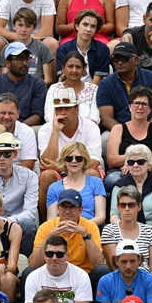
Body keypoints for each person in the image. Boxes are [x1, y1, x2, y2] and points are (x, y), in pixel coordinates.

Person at [38, 90, 103, 220]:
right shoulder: (46, 129)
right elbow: (46, 163)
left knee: (92, 173)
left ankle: (91, 221)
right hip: (59, 173)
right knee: (46, 176)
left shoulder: (91, 126)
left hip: (82, 171)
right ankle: (46, 223)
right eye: (59, 109)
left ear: (77, 109)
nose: (62, 113)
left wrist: (60, 167)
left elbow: (94, 162)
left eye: (67, 108)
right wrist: (55, 131)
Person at [29, 189, 107, 292]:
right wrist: (49, 237)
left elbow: (98, 263)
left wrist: (85, 235)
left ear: (80, 210)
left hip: (82, 275)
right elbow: (33, 264)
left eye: (72, 207)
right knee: (28, 272)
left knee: (102, 270)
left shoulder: (90, 227)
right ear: (57, 209)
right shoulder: (46, 227)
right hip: (52, 274)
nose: (67, 211)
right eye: (63, 206)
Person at [109, 145, 152, 264]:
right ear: (127, 165)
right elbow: (114, 216)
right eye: (131, 162)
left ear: (149, 164)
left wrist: (145, 231)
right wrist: (126, 230)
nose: (136, 165)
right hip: (126, 228)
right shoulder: (119, 186)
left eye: (140, 162)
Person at [97, 42, 152, 131]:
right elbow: (107, 119)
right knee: (105, 140)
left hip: (150, 128)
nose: (119, 62)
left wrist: (146, 131)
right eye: (115, 59)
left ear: (136, 60)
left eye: (124, 58)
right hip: (120, 129)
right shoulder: (105, 84)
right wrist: (125, 133)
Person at [105, 86, 152, 192]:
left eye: (144, 104)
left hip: (149, 172)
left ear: (150, 109)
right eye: (136, 103)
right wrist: (134, 162)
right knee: (112, 180)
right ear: (129, 106)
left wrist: (132, 163)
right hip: (121, 172)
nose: (140, 107)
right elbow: (112, 159)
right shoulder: (118, 129)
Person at [24, 236, 91, 303]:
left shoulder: (81, 276)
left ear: (67, 255)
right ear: (44, 255)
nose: (54, 258)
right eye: (50, 254)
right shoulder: (33, 277)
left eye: (59, 254)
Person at [0, 42, 47, 126]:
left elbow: (38, 115)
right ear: (7, 63)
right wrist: (2, 129)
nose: (25, 63)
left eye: (27, 59)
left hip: (26, 129)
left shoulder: (38, 84)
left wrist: (17, 129)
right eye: (20, 59)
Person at [96, 239, 152, 303]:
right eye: (124, 261)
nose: (128, 266)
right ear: (116, 261)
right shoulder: (106, 281)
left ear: (139, 260)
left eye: (132, 261)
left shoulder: (149, 280)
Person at [102, 186, 152, 274]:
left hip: (145, 280)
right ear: (118, 207)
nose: (127, 209)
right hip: (119, 279)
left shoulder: (150, 231)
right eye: (123, 205)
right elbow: (114, 266)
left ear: (139, 206)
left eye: (131, 205)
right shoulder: (109, 230)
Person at [45, 142, 106, 226]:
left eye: (79, 158)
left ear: (85, 160)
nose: (74, 161)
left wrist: (79, 227)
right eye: (69, 158)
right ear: (63, 161)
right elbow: (51, 219)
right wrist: (67, 228)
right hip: (63, 230)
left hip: (89, 229)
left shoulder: (96, 182)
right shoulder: (54, 187)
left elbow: (101, 216)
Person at [0, 92, 38, 170]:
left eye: (11, 113)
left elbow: (28, 165)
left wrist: (1, 169)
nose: (6, 117)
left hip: (21, 177)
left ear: (18, 113)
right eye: (3, 113)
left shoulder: (27, 131)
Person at [0, 8, 55, 85]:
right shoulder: (8, 49)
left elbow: (48, 79)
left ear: (33, 27)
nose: (23, 29)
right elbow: (4, 76)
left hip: (35, 88)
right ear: (14, 25)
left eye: (28, 26)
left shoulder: (41, 47)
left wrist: (35, 88)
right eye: (20, 25)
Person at [55, 10, 110, 85]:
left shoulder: (102, 49)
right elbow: (64, 78)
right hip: (69, 90)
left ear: (96, 30)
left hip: (93, 91)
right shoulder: (63, 49)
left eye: (93, 26)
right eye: (85, 24)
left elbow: (97, 81)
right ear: (77, 26)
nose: (88, 29)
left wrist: (85, 94)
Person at [45, 53, 99, 124]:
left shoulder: (93, 89)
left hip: (86, 131)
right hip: (59, 129)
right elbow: (49, 115)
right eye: (70, 66)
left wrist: (82, 129)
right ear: (63, 68)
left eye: (78, 67)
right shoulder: (54, 89)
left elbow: (95, 116)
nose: (74, 70)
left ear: (84, 70)